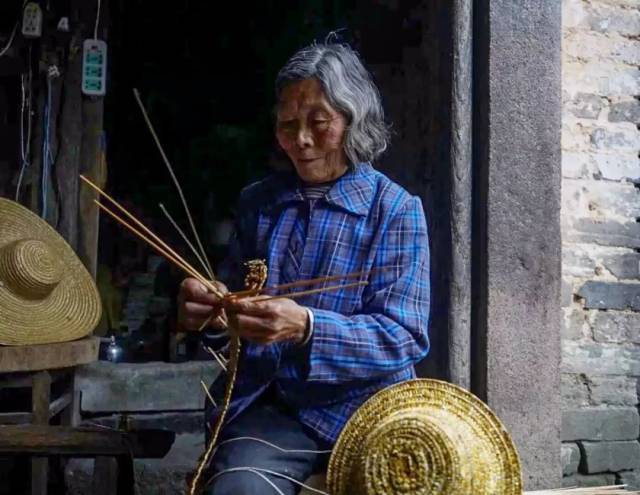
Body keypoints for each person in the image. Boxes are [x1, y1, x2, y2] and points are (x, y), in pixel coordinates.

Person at [177, 41, 431, 495]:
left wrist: (307, 326)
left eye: (318, 123)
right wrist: (213, 314)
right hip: (275, 412)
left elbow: (404, 337)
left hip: (368, 410)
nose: (302, 141)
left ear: (353, 120)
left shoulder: (394, 209)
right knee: (238, 489)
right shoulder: (260, 202)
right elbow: (234, 312)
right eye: (288, 126)